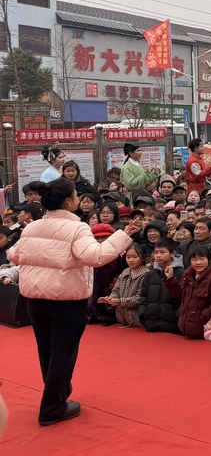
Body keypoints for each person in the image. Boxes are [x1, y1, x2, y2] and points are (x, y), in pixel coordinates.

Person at [8, 178, 138, 425]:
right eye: (76, 195)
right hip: (66, 301)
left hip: (35, 299)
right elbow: (96, 256)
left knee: (47, 351)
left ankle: (57, 395)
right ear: (68, 201)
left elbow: (15, 254)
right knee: (62, 354)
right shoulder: (76, 229)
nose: (79, 198)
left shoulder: (32, 227)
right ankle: (52, 407)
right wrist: (122, 236)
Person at [167, 244, 211, 340]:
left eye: (202, 259)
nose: (198, 262)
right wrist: (170, 279)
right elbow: (178, 294)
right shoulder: (187, 275)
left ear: (209, 260)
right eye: (194, 260)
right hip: (185, 327)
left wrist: (201, 318)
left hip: (203, 328)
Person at [140, 240, 184, 333]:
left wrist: (178, 315)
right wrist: (143, 313)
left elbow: (183, 298)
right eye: (156, 252)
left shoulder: (181, 273)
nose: (158, 255)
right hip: (151, 323)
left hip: (173, 325)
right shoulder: (151, 274)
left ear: (172, 253)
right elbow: (143, 296)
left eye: (162, 252)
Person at [101, 246, 150, 328]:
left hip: (138, 319)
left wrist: (120, 302)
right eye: (128, 257)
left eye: (135, 257)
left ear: (143, 258)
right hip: (121, 319)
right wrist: (110, 299)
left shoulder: (146, 274)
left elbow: (140, 298)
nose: (131, 260)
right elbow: (116, 290)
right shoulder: (125, 272)